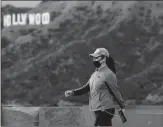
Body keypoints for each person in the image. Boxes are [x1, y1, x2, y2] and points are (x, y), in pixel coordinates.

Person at [65, 48, 125, 126]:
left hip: (105, 109)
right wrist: (73, 92)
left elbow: (115, 91)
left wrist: (122, 106)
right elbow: (87, 88)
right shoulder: (95, 74)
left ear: (104, 59)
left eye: (96, 57)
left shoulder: (109, 74)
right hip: (97, 109)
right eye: (93, 57)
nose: (94, 59)